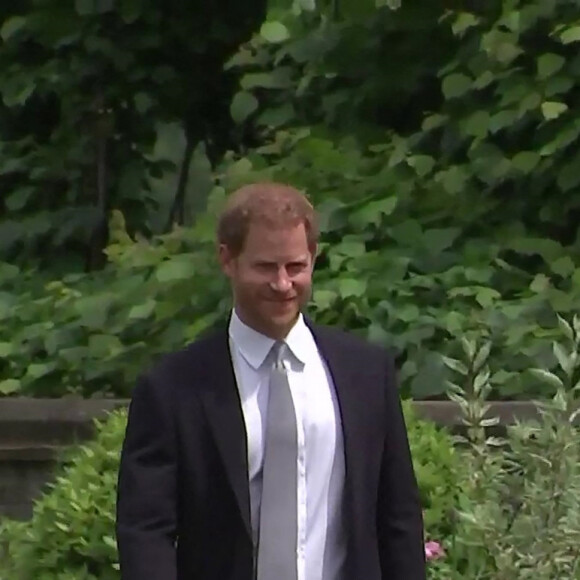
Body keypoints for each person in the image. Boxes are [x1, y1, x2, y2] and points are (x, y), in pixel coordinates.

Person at [115, 182, 426, 580]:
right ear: (227, 260)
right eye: (265, 267)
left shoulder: (365, 373)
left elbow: (397, 516)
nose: (282, 285)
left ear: (313, 258)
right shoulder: (173, 388)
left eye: (295, 267)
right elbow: (146, 530)